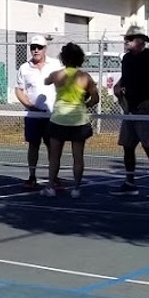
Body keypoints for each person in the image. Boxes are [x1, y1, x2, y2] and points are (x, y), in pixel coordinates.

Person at [113, 25, 149, 198]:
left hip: (148, 112)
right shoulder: (127, 59)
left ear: (140, 41)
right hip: (130, 110)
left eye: (129, 40)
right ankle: (130, 182)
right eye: (126, 39)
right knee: (127, 147)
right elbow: (126, 78)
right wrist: (119, 86)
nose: (126, 42)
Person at [42, 43, 100, 199]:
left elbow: (46, 81)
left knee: (55, 156)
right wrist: (85, 104)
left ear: (63, 57)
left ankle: (50, 187)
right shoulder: (85, 77)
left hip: (59, 119)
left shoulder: (57, 75)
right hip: (78, 120)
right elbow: (95, 98)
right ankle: (76, 188)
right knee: (78, 157)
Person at [14, 34, 62, 188]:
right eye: (33, 47)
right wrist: (29, 105)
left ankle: (54, 178)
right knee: (33, 145)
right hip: (33, 115)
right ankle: (32, 176)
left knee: (52, 145)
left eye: (39, 47)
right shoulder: (24, 68)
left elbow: (63, 84)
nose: (36, 50)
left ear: (45, 49)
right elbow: (19, 90)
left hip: (52, 114)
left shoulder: (55, 64)